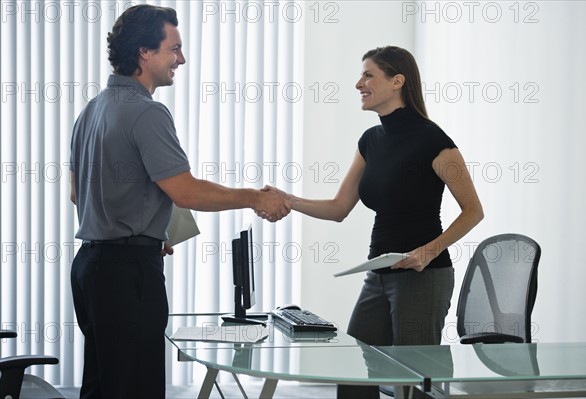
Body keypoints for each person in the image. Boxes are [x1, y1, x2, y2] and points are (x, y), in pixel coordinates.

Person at [68, 5, 289, 398]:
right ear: (144, 53)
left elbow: (76, 193)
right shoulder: (147, 112)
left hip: (91, 268)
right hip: (127, 273)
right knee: (136, 387)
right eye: (175, 49)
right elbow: (186, 191)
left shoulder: (92, 110)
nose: (181, 59)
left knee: (104, 385)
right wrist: (255, 196)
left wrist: (148, 226)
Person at [263, 46, 484, 398]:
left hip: (422, 275)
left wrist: (429, 251)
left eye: (368, 75)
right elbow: (339, 208)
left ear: (397, 81)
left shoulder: (434, 141)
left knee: (413, 381)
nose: (358, 83)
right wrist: (288, 200)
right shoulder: (371, 141)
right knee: (354, 371)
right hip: (379, 273)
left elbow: (473, 210)